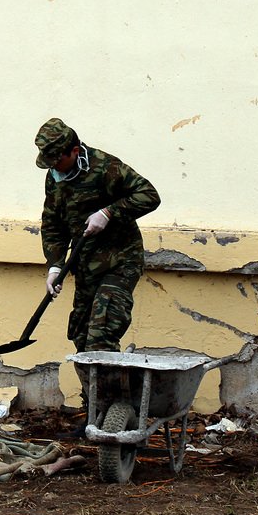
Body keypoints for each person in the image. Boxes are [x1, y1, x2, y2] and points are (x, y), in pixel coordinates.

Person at [35, 117, 160, 353]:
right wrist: (55, 266)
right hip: (86, 265)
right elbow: (53, 225)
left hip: (119, 261)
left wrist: (108, 213)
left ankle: (109, 380)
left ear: (74, 151)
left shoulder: (105, 167)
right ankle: (101, 380)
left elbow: (149, 195)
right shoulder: (54, 177)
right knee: (82, 339)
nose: (53, 167)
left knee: (101, 335)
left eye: (57, 160)